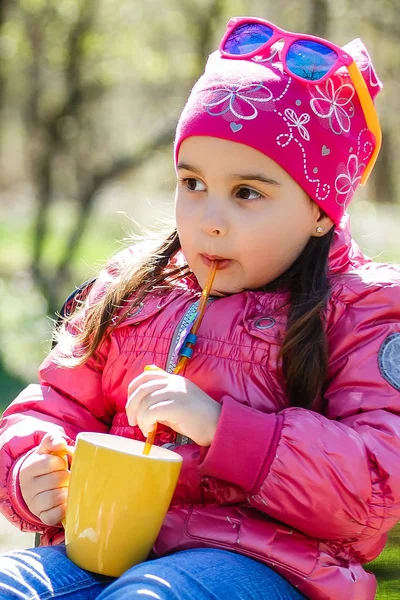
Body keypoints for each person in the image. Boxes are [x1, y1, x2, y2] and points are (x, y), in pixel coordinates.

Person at [0, 15, 399, 600]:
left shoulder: (359, 310)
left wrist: (224, 428)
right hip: (104, 545)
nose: (209, 218)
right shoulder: (135, 287)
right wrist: (28, 470)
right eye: (192, 183)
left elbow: (372, 490)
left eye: (247, 193)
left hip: (268, 565)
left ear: (321, 211)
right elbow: (54, 404)